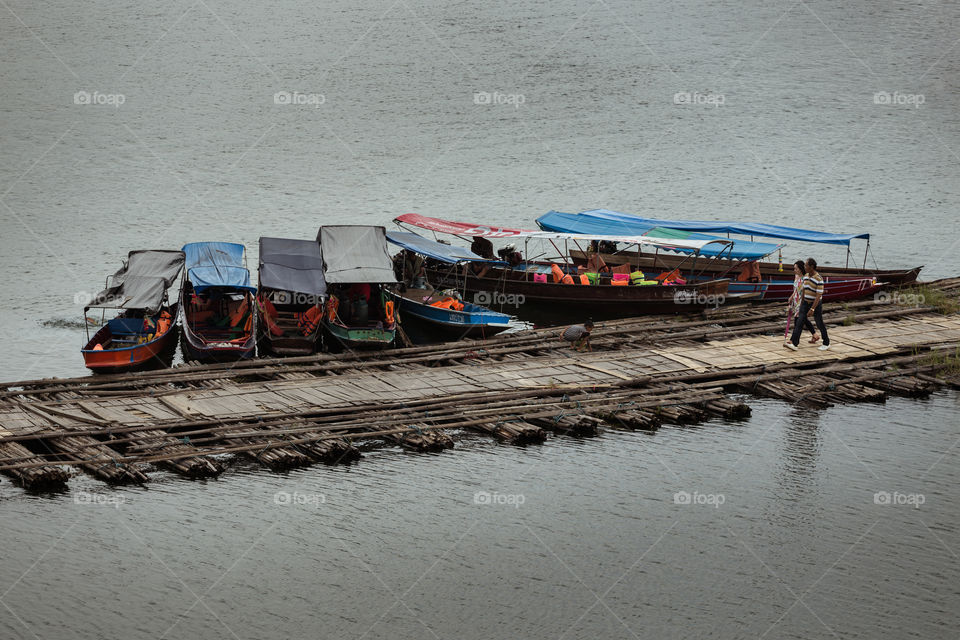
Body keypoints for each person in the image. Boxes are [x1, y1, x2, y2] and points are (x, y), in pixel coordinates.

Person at [786, 258, 830, 351]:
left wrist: (812, 309)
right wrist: (802, 304)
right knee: (799, 322)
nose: (804, 267)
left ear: (811, 267)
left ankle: (826, 342)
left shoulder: (819, 278)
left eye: (806, 265)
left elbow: (818, 295)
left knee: (819, 323)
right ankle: (794, 343)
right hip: (805, 302)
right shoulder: (805, 277)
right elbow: (804, 291)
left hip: (816, 303)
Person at [785, 260, 818, 345]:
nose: (794, 270)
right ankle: (815, 334)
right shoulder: (796, 277)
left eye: (795, 268)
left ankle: (793, 340)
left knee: (798, 320)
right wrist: (791, 297)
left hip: (802, 301)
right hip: (796, 301)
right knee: (803, 319)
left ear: (800, 269)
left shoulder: (805, 278)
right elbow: (796, 289)